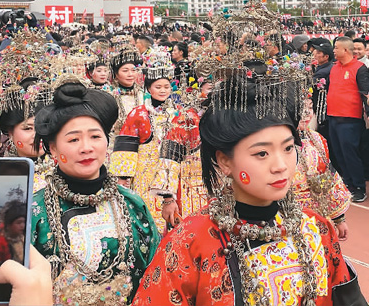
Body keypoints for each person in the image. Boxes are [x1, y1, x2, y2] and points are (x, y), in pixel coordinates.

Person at [132, 69, 366, 305]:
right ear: (224, 161)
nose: (280, 166)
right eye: (262, 153)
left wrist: (337, 215)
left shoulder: (317, 228)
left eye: (288, 149)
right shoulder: (189, 241)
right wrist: (168, 197)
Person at [32, 80, 159, 305]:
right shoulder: (34, 212)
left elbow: (155, 273)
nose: (86, 147)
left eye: (95, 136)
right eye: (73, 139)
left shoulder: (132, 204)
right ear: (52, 148)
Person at [109, 57, 205, 232]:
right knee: (148, 221)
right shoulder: (138, 114)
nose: (163, 91)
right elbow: (126, 148)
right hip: (145, 174)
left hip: (175, 173)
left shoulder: (181, 112)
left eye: (166, 87)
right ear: (148, 88)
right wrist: (123, 180)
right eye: (158, 87)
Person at [293, 97, 351, 241]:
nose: (306, 113)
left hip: (317, 216)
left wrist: (339, 219)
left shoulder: (318, 140)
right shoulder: (276, 143)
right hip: (286, 218)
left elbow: (328, 179)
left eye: (310, 108)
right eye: (301, 108)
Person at [0, 77, 53, 192]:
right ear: (10, 132)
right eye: (28, 128)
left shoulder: (66, 168)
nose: (38, 135)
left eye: (44, 126)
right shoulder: (0, 173)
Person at [327, 36, 369, 202]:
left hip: (350, 119)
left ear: (345, 50)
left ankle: (359, 187)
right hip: (333, 116)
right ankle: (348, 183)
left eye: (336, 47)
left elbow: (366, 93)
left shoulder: (360, 68)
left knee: (350, 154)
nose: (334, 50)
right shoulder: (334, 67)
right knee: (338, 153)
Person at [0, 201, 26, 269]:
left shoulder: (25, 240)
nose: (22, 226)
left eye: (24, 222)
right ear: (8, 225)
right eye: (19, 222)